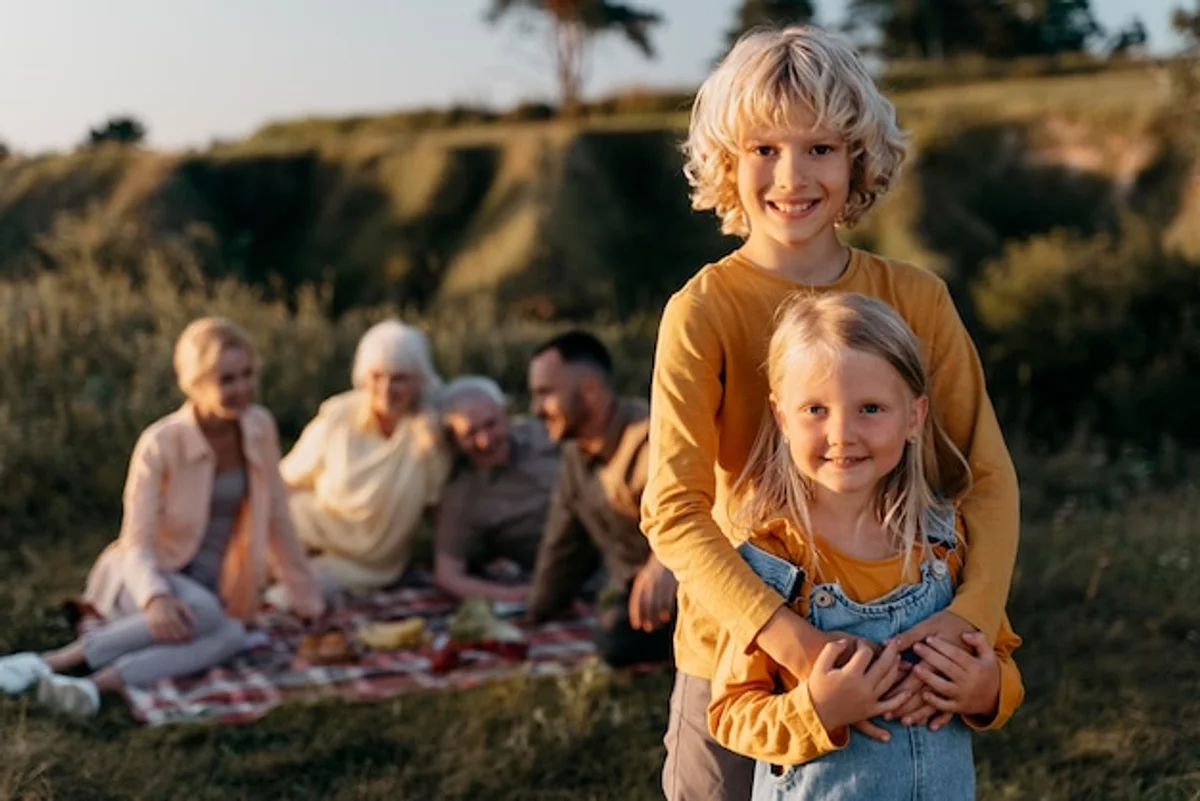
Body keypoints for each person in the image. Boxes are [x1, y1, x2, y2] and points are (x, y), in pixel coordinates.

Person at [640, 26, 1022, 800]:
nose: (792, 175)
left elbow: (982, 476)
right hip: (736, 650)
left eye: (820, 148)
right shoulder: (702, 310)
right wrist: (794, 640)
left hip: (899, 640)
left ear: (858, 158)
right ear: (727, 161)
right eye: (764, 149)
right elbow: (673, 510)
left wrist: (972, 618)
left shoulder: (916, 298)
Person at [706, 292, 1024, 800]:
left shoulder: (944, 543)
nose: (842, 434)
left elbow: (999, 658)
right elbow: (732, 713)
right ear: (783, 419)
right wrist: (817, 710)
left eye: (870, 408)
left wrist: (985, 691)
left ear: (915, 417)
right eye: (815, 409)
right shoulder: (772, 561)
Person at [0, 318, 324, 717]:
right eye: (226, 379)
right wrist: (156, 597)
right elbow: (137, 540)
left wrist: (307, 599)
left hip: (212, 590)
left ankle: (90, 687)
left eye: (247, 374)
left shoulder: (260, 427)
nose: (241, 389)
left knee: (233, 633)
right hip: (144, 578)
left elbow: (278, 517)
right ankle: (53, 662)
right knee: (205, 615)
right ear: (195, 383)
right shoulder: (160, 443)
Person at [525, 331, 676, 668]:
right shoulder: (574, 453)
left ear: (590, 390)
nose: (536, 409)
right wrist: (534, 613)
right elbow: (562, 543)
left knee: (615, 639)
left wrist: (663, 561)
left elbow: (693, 517)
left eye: (545, 394)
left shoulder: (652, 442)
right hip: (631, 593)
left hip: (682, 589)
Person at [273, 320, 450, 600]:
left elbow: (441, 508)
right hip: (304, 530)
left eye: (399, 378)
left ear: (419, 380)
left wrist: (451, 571)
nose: (387, 388)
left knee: (288, 597)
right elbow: (283, 480)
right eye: (377, 376)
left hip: (365, 563)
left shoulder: (428, 435)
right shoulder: (338, 416)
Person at [434, 375, 559, 603]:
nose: (485, 441)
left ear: (505, 413)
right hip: (567, 570)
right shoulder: (462, 494)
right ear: (454, 439)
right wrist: (514, 595)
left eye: (491, 424)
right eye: (470, 434)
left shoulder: (546, 434)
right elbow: (448, 576)